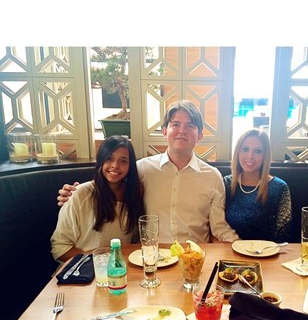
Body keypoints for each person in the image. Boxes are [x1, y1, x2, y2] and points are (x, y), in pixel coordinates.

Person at [57, 100, 238, 244]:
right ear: (165, 130)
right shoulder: (142, 169)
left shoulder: (213, 177)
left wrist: (245, 249)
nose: (182, 131)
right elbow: (111, 181)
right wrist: (76, 193)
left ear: (199, 135)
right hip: (149, 260)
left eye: (190, 126)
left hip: (194, 260)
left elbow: (219, 227)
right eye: (176, 124)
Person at [51, 135, 144, 262]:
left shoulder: (133, 196)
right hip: (83, 271)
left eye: (123, 161)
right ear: (101, 160)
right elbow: (60, 247)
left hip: (119, 271)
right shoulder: (81, 194)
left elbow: (134, 241)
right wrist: (98, 264)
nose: (115, 165)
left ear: (130, 166)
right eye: (109, 159)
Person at [223, 129, 292, 242]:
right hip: (230, 252)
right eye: (245, 149)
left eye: (258, 151)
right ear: (238, 152)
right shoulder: (226, 183)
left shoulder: (279, 187)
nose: (250, 156)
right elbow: (216, 225)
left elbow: (283, 233)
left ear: (265, 156)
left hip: (266, 255)